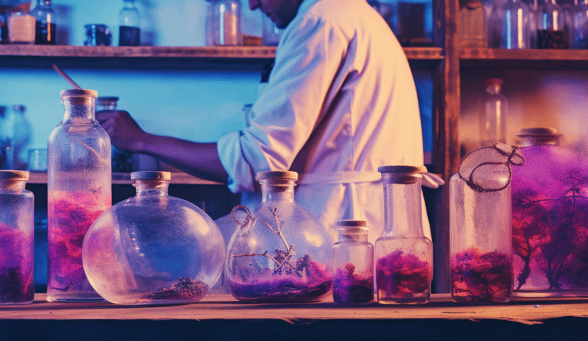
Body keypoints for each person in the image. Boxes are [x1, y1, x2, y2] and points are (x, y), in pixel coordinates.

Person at [97, 0, 432, 240]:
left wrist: (141, 141)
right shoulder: (351, 13)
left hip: (340, 227)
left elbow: (259, 162)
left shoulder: (322, 21)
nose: (253, 6)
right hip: (364, 224)